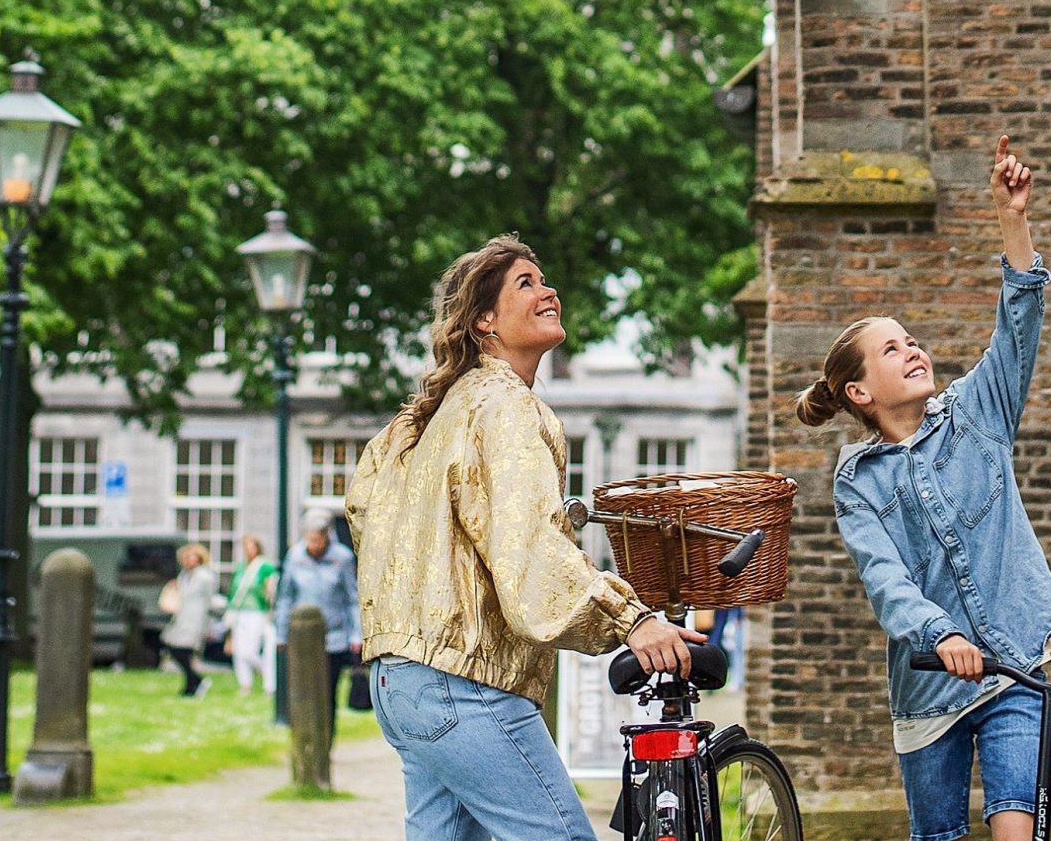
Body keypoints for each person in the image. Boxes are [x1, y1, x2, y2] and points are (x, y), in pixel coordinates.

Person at [347, 236, 702, 841]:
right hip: (463, 680)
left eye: (546, 280)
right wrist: (632, 620)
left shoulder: (420, 420)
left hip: (398, 679)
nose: (549, 291)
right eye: (526, 283)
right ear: (484, 319)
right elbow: (530, 546)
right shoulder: (505, 407)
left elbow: (362, 511)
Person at [795, 136, 1051, 841]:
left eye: (911, 340)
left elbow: (1019, 325)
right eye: (890, 349)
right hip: (930, 690)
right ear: (859, 390)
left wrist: (1012, 218)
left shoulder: (978, 413)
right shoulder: (858, 480)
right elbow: (886, 579)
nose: (912, 350)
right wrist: (937, 634)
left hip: (1014, 668)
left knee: (1015, 829)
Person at [271, 509, 360, 730]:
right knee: (303, 693)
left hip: (334, 638)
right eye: (309, 539)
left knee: (327, 694)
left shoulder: (342, 558)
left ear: (326, 536)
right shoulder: (295, 556)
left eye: (317, 540)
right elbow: (285, 597)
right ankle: (305, 735)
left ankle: (326, 738)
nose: (313, 545)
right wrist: (281, 633)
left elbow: (352, 599)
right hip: (302, 637)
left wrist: (356, 634)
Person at [159, 543, 223, 699]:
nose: (188, 560)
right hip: (181, 618)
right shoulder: (184, 575)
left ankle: (194, 682)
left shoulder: (204, 577)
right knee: (175, 649)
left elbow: (210, 600)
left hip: (195, 620)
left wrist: (208, 624)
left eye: (191, 556)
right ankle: (192, 683)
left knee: (182, 651)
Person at [224, 533, 279, 696]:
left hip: (257, 612)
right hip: (239, 611)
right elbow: (232, 591)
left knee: (250, 650)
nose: (248, 550)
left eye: (251, 546)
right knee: (239, 650)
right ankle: (245, 684)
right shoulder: (240, 567)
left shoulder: (265, 566)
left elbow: (270, 589)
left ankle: (268, 678)